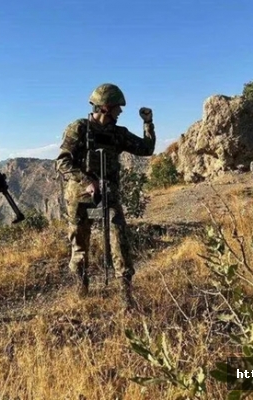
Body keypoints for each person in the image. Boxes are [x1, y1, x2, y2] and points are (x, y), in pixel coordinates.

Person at [55, 83, 156, 310]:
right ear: (104, 108)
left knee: (119, 240)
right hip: (79, 197)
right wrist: (87, 181)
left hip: (108, 195)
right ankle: (81, 286)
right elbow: (62, 161)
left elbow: (146, 148)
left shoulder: (117, 134)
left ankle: (125, 293)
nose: (119, 113)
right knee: (79, 244)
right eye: (116, 109)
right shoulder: (79, 129)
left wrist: (148, 123)